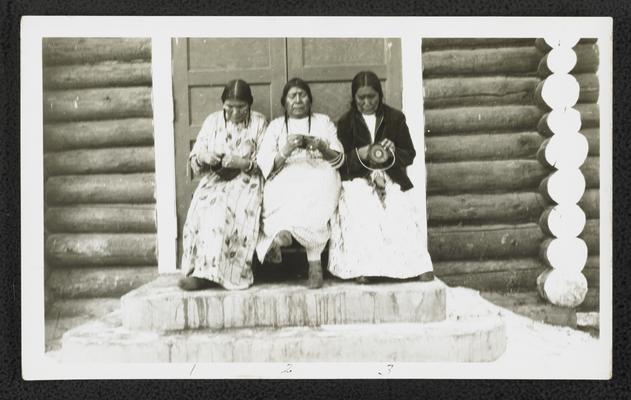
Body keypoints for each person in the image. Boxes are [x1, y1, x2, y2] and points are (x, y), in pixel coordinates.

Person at [327, 71, 434, 283]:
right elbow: (343, 162)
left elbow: (409, 154)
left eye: (372, 97)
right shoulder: (346, 122)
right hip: (359, 178)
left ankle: (415, 266)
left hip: (391, 176)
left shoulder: (395, 118)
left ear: (380, 95)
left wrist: (394, 151)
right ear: (354, 98)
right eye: (361, 98)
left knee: (397, 206)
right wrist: (362, 154)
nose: (367, 102)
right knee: (363, 206)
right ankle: (365, 268)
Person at [178, 79, 268, 291]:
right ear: (223, 104)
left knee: (226, 207)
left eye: (241, 108)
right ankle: (200, 272)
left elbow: (266, 161)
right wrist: (205, 156)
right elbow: (195, 157)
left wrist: (242, 162)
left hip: (247, 180)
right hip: (216, 179)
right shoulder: (212, 122)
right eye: (230, 107)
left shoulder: (258, 122)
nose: (235, 113)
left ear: (250, 105)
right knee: (204, 205)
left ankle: (230, 273)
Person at [256, 78, 345, 289]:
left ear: (310, 99)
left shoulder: (323, 122)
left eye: (302, 95)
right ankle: (284, 233)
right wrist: (285, 149)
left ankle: (314, 265)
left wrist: (322, 147)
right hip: (286, 173)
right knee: (281, 190)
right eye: (292, 96)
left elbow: (340, 159)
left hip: (319, 172)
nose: (298, 100)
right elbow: (265, 164)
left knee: (318, 188)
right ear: (284, 102)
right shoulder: (276, 126)